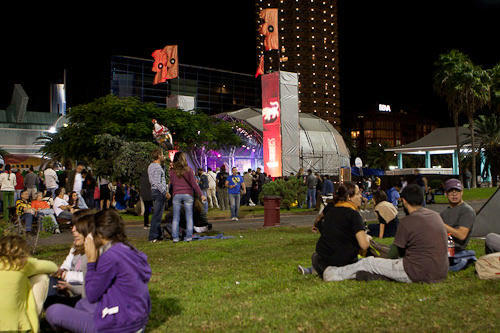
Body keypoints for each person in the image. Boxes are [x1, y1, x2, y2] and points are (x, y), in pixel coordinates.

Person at [46, 209, 152, 333]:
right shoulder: (127, 249)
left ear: (97, 232)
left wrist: (91, 261)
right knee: (81, 305)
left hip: (121, 325)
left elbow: (91, 295)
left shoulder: (110, 256)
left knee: (54, 312)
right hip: (137, 318)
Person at [322, 184, 449, 283]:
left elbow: (393, 254)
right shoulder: (435, 216)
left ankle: (334, 274)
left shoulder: (408, 221)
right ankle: (377, 276)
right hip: (440, 272)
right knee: (384, 267)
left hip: (416, 273)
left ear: (403, 201)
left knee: (369, 262)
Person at [297, 182, 371, 279]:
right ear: (349, 197)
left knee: (317, 256)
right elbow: (364, 245)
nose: (360, 196)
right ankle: (331, 272)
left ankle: (314, 270)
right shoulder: (353, 214)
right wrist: (367, 238)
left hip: (321, 260)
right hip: (344, 262)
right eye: (358, 194)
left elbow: (319, 220)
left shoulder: (330, 210)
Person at [0, 235, 58, 333]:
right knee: (41, 277)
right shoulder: (22, 264)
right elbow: (52, 267)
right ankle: (32, 320)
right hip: (15, 324)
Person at [44, 210, 94, 309]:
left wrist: (66, 276)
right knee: (46, 280)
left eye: (77, 227)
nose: (73, 230)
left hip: (81, 291)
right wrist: (61, 271)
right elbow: (67, 263)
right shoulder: (76, 246)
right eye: (72, 226)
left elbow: (89, 277)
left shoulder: (95, 251)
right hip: (70, 284)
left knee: (51, 303)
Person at [169, 152, 206, 243]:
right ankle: (189, 237)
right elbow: (194, 184)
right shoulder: (189, 170)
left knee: (176, 217)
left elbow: (172, 184)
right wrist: (201, 195)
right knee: (189, 216)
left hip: (177, 194)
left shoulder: (172, 171)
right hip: (188, 194)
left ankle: (175, 237)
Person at [440, 179, 475, 253]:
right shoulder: (444, 212)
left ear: (462, 192)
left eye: (457, 191)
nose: (454, 194)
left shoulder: (466, 210)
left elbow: (461, 235)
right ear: (446, 194)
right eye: (451, 191)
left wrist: (440, 224)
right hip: (441, 246)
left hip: (455, 250)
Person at [148, 149, 168, 243]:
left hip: (156, 192)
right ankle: (153, 236)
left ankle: (158, 235)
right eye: (162, 154)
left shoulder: (153, 166)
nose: (163, 156)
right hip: (159, 192)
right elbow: (156, 182)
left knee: (158, 215)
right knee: (157, 215)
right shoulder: (155, 167)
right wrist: (165, 192)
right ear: (158, 156)